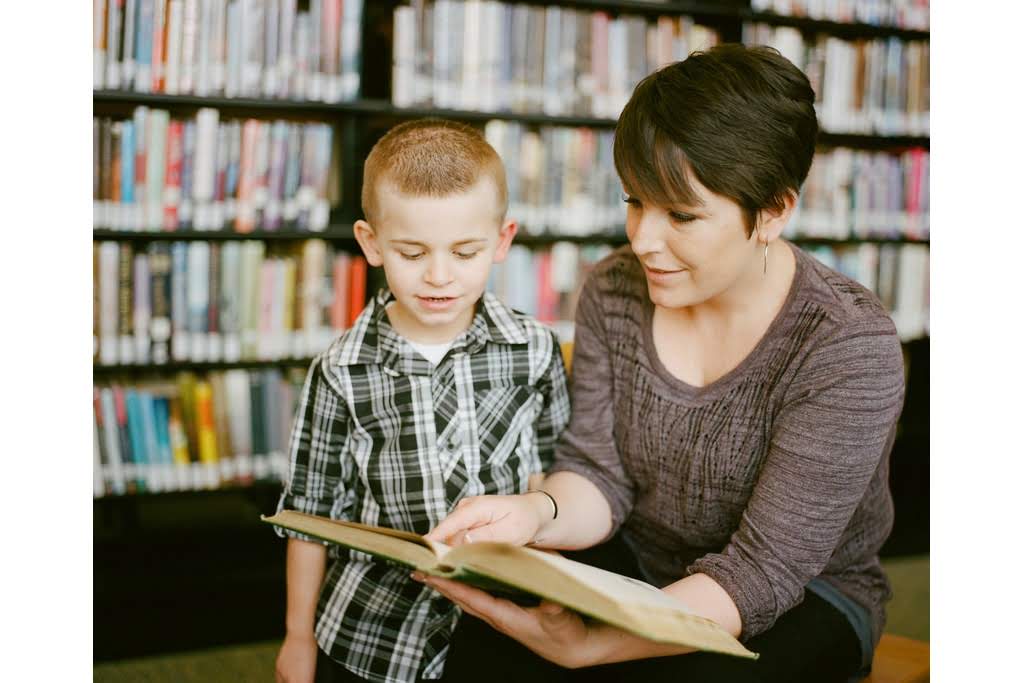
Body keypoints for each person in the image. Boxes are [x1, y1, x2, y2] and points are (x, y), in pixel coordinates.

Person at [421, 44, 906, 683]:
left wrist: (592, 644)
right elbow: (599, 474)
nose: (644, 239)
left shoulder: (846, 344)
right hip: (645, 562)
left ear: (774, 212)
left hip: (807, 595)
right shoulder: (614, 290)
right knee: (486, 645)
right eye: (635, 202)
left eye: (681, 214)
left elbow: (763, 573)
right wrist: (534, 514)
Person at [273, 119, 571, 683]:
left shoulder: (533, 348)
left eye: (465, 252)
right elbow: (307, 517)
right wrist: (296, 637)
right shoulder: (340, 370)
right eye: (412, 252)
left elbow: (555, 475)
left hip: (506, 622)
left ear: (503, 241)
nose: (439, 276)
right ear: (372, 244)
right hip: (375, 633)